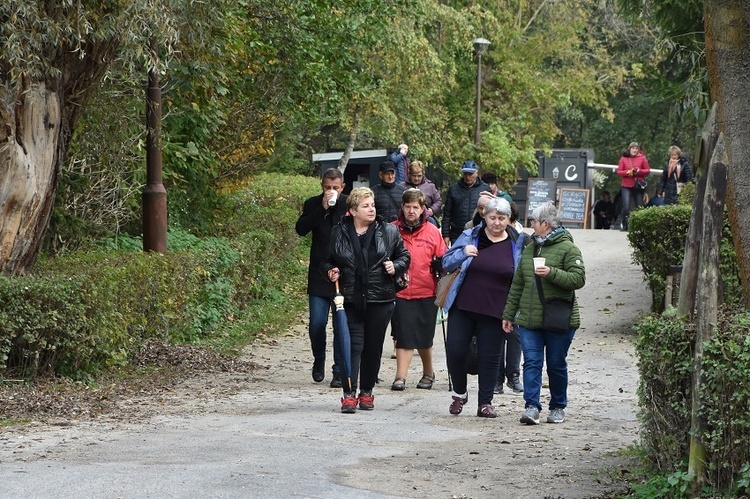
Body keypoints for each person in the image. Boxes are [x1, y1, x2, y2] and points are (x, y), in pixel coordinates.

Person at [323, 187, 411, 413]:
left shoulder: (388, 231)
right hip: (350, 298)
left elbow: (404, 256)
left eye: (372, 205)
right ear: (352, 210)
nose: (371, 209)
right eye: (365, 206)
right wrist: (331, 270)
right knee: (350, 346)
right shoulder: (338, 231)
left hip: (380, 298)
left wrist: (396, 266)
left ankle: (367, 392)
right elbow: (327, 260)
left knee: (372, 348)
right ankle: (348, 394)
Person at [441, 197, 527, 418]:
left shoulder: (518, 242)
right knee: (456, 351)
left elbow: (521, 278)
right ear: (484, 216)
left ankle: (485, 402)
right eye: (492, 217)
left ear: (509, 219)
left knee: (491, 356)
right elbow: (446, 262)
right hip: (464, 305)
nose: (496, 222)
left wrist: (514, 311)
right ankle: (460, 393)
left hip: (496, 309)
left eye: (501, 218)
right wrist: (463, 253)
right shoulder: (471, 235)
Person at [502, 202, 586, 425]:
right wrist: (509, 315)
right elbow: (517, 285)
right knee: (531, 362)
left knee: (556, 363)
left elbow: (578, 279)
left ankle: (558, 406)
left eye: (534, 221)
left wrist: (551, 273)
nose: (530, 224)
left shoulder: (569, 249)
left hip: (559, 319)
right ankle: (531, 406)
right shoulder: (530, 248)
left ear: (545, 224)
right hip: (530, 319)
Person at [295, 168, 348, 387]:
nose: (331, 191)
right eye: (328, 187)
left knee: (340, 324)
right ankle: (319, 358)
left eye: (335, 188)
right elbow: (301, 229)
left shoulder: (349, 204)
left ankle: (338, 370)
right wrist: (323, 208)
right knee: (317, 323)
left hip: (343, 272)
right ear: (322, 186)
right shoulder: (312, 204)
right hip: (318, 273)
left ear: (342, 187)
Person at [390, 189, 447, 391]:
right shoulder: (391, 230)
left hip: (426, 289)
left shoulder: (432, 231)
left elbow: (444, 258)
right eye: (408, 207)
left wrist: (442, 264)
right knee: (404, 333)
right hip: (400, 290)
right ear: (402, 208)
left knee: (424, 336)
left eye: (415, 207)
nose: (411, 211)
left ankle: (428, 372)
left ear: (423, 209)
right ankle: (400, 377)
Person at [441, 161, 491, 246]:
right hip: (457, 233)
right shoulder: (454, 189)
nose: (468, 177)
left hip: (478, 232)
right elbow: (447, 213)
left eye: (470, 174)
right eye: (465, 174)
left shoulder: (485, 189)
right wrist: (445, 234)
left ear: (476, 172)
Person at [616, 142, 650, 231]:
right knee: (626, 205)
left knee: (639, 205)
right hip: (626, 184)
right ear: (629, 149)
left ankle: (638, 225)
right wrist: (627, 172)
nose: (634, 150)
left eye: (636, 148)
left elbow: (647, 171)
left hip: (638, 184)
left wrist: (639, 171)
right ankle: (624, 223)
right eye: (633, 148)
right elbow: (619, 172)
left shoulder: (642, 158)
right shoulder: (624, 158)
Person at [401, 160, 442, 227]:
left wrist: (432, 210)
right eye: (414, 176)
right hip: (407, 220)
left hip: (427, 219)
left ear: (423, 174)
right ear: (409, 174)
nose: (416, 178)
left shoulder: (430, 186)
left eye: (419, 176)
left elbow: (438, 200)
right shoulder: (402, 187)